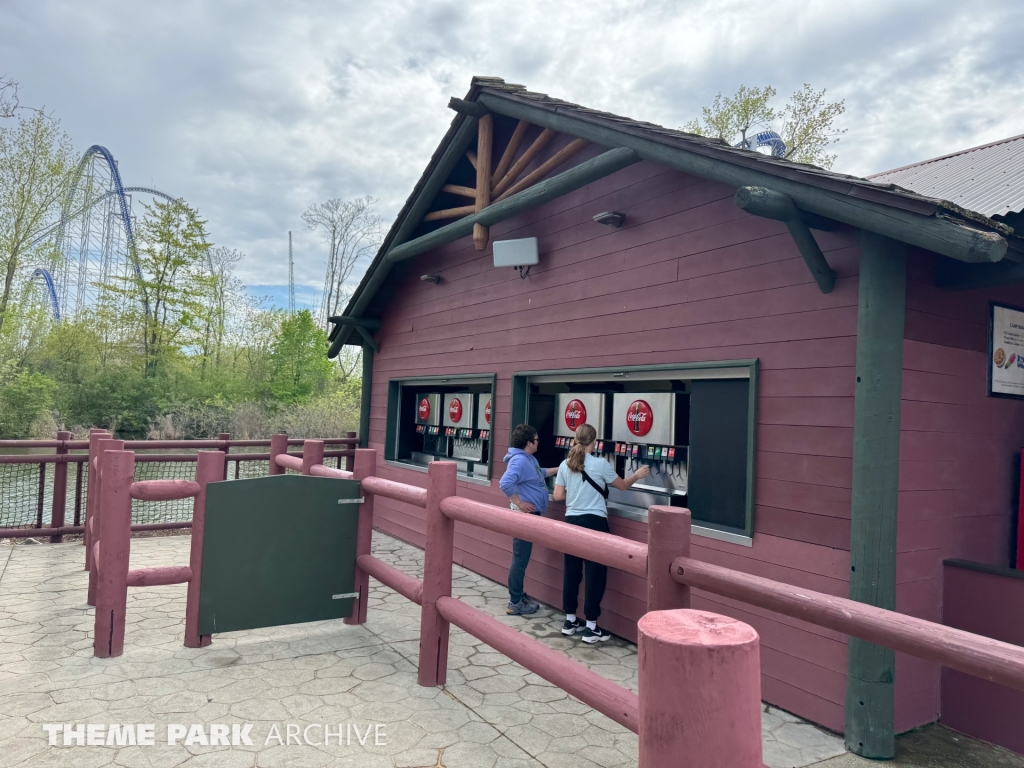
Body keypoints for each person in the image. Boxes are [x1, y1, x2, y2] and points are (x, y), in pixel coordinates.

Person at [554, 423, 649, 643]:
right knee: (595, 574)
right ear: (594, 442)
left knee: (572, 572)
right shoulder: (601, 464)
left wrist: (575, 491)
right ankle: (591, 627)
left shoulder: (564, 464)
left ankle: (570, 621)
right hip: (594, 522)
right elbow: (623, 486)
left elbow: (558, 496)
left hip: (571, 522)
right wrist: (637, 474)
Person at [499, 424, 559, 615]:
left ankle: (518, 596)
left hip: (530, 516)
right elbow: (505, 483)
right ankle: (515, 602)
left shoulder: (528, 459)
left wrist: (562, 468)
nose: (539, 442)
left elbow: (540, 473)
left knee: (521, 557)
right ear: (528, 443)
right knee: (520, 558)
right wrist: (519, 503)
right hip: (524, 516)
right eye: (536, 439)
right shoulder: (520, 461)